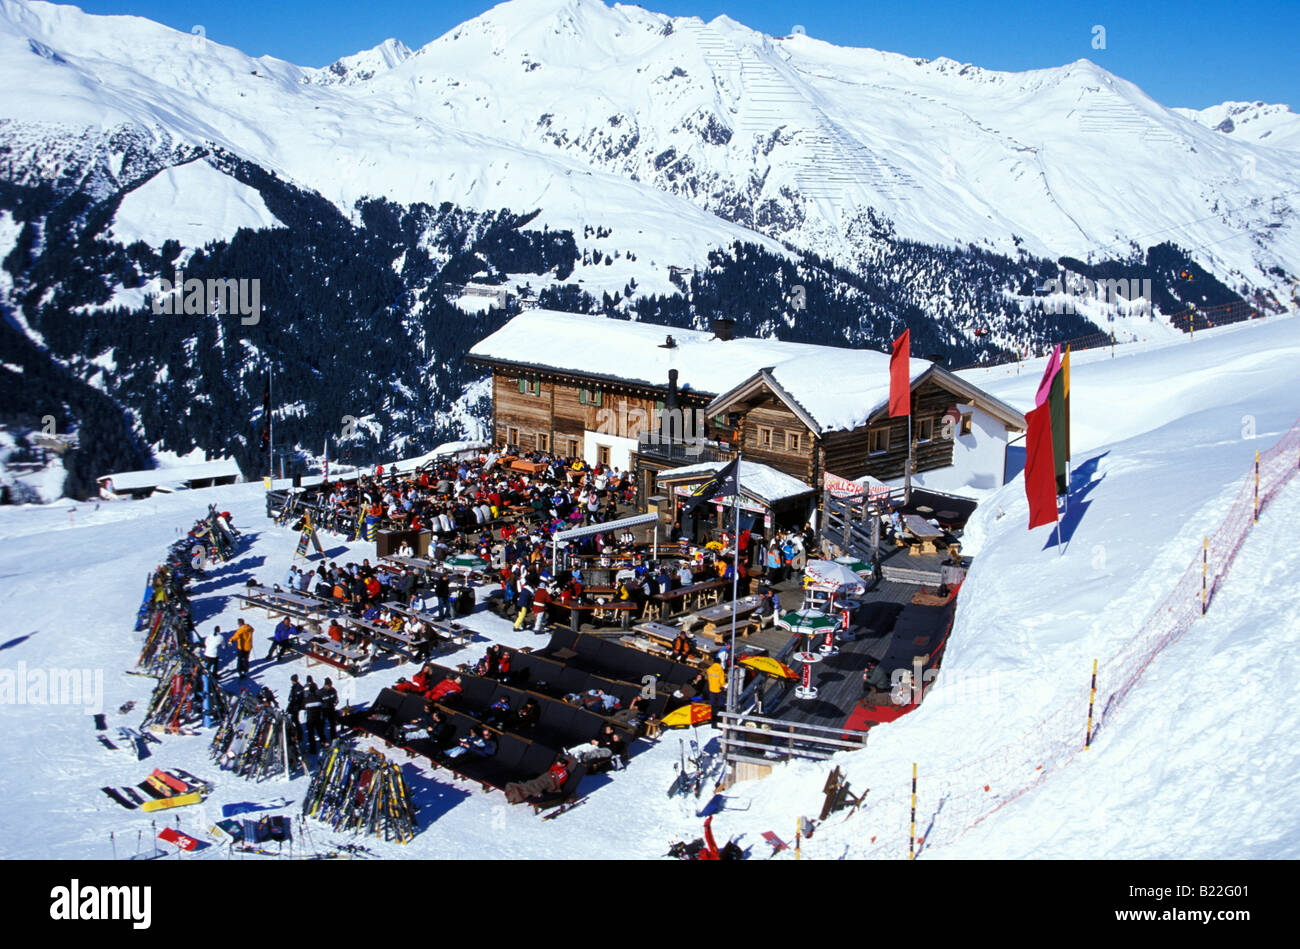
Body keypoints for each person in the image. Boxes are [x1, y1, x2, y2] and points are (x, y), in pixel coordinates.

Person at [504, 754, 570, 805]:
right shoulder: (556, 766)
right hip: (544, 777)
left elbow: (557, 782)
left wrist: (552, 780)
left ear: (564, 765)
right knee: (533, 782)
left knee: (537, 785)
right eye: (558, 762)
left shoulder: (564, 772)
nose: (557, 764)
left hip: (550, 781)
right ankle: (525, 789)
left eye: (559, 763)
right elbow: (550, 772)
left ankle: (533, 791)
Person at [302, 678, 326, 754]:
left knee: (311, 734)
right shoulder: (319, 698)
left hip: (310, 719)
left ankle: (313, 749)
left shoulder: (306, 699)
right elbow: (323, 706)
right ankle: (324, 744)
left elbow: (303, 707)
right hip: (318, 718)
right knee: (320, 732)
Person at [706, 657, 727, 725]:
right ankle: (720, 718)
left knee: (712, 704)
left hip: (711, 689)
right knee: (720, 703)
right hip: (718, 689)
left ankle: (711, 717)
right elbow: (722, 680)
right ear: (720, 662)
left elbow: (708, 678)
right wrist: (724, 686)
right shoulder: (720, 670)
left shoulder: (710, 669)